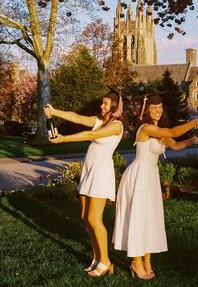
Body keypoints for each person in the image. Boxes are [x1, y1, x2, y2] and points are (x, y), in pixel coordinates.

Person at [112, 94, 198, 280]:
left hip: (150, 177)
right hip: (139, 176)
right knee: (139, 217)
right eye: (154, 108)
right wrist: (196, 121)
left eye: (161, 107)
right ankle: (136, 261)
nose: (158, 111)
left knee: (149, 218)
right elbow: (172, 133)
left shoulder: (158, 130)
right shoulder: (146, 128)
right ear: (146, 110)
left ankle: (147, 261)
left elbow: (176, 144)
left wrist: (195, 140)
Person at [44, 90, 126, 277]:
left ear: (114, 107)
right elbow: (77, 117)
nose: (101, 106)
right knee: (85, 216)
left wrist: (64, 138)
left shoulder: (116, 126)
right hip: (89, 171)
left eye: (105, 104)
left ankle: (105, 261)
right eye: (102, 103)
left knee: (94, 219)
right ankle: (97, 258)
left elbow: (90, 136)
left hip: (100, 173)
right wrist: (54, 111)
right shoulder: (100, 121)